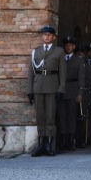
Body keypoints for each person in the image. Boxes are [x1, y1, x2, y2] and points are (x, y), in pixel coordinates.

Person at [26, 25, 66, 157]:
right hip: (38, 86)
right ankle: (41, 144)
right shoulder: (36, 52)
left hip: (52, 86)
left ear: (53, 37)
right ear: (42, 37)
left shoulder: (59, 51)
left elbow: (63, 72)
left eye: (49, 35)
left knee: (50, 117)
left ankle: (49, 145)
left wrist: (61, 89)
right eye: (44, 35)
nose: (47, 37)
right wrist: (30, 90)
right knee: (40, 117)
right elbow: (31, 73)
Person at [57, 36, 85, 151]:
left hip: (73, 90)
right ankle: (63, 140)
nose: (68, 47)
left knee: (71, 117)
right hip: (62, 91)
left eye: (70, 45)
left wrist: (80, 93)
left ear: (74, 47)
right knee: (62, 116)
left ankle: (71, 140)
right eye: (66, 45)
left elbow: (81, 78)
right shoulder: (61, 58)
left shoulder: (78, 60)